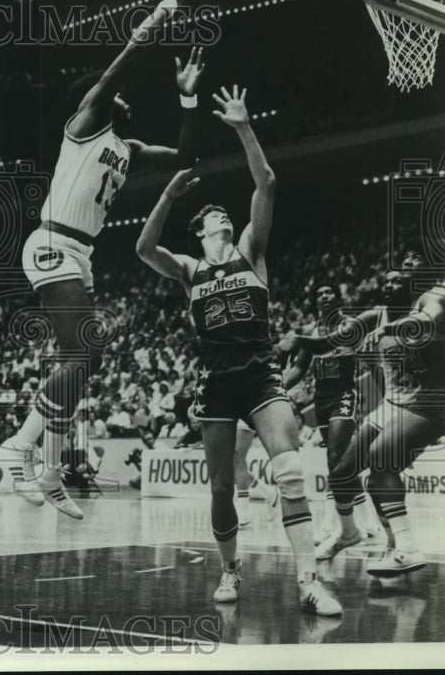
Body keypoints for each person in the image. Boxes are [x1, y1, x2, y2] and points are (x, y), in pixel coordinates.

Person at [0, 0, 203, 520]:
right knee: (86, 352)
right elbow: (127, 58)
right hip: (52, 242)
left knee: (83, 361)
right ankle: (18, 447)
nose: (125, 96)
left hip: (79, 254)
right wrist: (165, 7)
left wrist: (187, 98)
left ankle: (50, 469)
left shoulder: (126, 147)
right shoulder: (85, 123)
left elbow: (185, 157)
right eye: (117, 93)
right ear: (100, 99)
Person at [136, 85, 342, 617]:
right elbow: (143, 248)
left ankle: (308, 581)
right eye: (211, 216)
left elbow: (266, 181)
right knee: (223, 488)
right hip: (216, 380)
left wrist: (244, 127)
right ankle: (230, 569)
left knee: (290, 470)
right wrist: (168, 195)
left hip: (260, 374)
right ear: (200, 232)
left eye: (223, 213)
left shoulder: (251, 250)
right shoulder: (189, 269)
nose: (221, 216)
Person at [307, 249, 445, 577]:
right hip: (394, 403)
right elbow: (337, 342)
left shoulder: (430, 300)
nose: (389, 285)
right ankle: (355, 534)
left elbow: (429, 320)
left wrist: (391, 332)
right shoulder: (378, 314)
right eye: (387, 281)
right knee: (342, 472)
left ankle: (402, 545)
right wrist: (303, 341)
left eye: (398, 280)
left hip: (431, 400)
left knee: (382, 464)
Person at [284, 282, 372, 557]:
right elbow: (299, 368)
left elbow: (369, 357)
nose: (324, 296)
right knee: (340, 463)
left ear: (337, 298)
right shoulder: (312, 330)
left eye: (328, 292)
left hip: (344, 394)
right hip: (321, 399)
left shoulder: (350, 326)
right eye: (319, 294)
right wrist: (276, 387)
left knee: (335, 458)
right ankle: (368, 520)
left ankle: (329, 525)